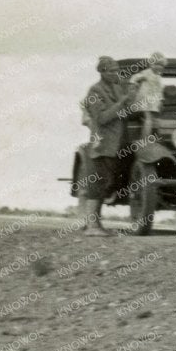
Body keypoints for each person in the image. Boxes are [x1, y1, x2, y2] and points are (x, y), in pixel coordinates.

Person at [75, 57, 134, 234]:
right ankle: (92, 226)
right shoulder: (94, 91)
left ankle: (95, 225)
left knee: (106, 183)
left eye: (116, 70)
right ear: (101, 72)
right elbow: (101, 118)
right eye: (111, 71)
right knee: (98, 183)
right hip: (103, 143)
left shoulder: (116, 88)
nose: (115, 73)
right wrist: (123, 103)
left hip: (116, 143)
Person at [126, 52, 167, 139]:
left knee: (153, 119)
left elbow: (159, 89)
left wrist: (161, 100)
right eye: (156, 64)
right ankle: (144, 138)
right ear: (151, 64)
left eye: (161, 65)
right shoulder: (146, 73)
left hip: (154, 99)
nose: (158, 67)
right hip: (145, 99)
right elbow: (134, 78)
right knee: (147, 118)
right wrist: (133, 85)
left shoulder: (158, 76)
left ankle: (153, 136)